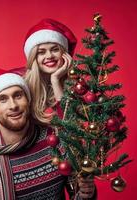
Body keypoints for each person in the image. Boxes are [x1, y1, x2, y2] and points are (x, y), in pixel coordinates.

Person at [0, 67, 96, 200]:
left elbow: (77, 194)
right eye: (3, 99)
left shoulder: (55, 143)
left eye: (18, 95)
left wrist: (86, 194)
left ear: (28, 100)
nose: (13, 105)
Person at [23, 19, 96, 199]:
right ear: (34, 57)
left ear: (64, 53)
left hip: (62, 165)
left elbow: (71, 128)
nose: (49, 56)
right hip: (28, 166)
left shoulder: (77, 87)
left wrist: (56, 80)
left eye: (54, 49)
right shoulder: (23, 87)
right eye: (41, 52)